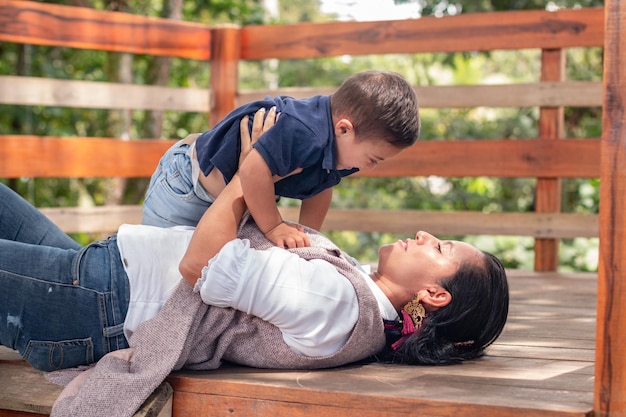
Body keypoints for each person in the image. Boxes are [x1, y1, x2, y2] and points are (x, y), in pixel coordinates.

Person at [0, 112, 507, 417]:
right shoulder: (357, 297)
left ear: (434, 296)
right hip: (107, 272)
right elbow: (270, 236)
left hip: (106, 300)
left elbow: (202, 265)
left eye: (440, 249)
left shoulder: (338, 305)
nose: (424, 236)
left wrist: (255, 167)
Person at [141, 70, 421, 249]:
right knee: (156, 263)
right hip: (186, 187)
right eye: (373, 159)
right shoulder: (305, 131)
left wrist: (310, 238)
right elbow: (251, 171)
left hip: (227, 203)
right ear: (344, 129)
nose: (369, 168)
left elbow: (321, 188)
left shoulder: (340, 152)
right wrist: (274, 226)